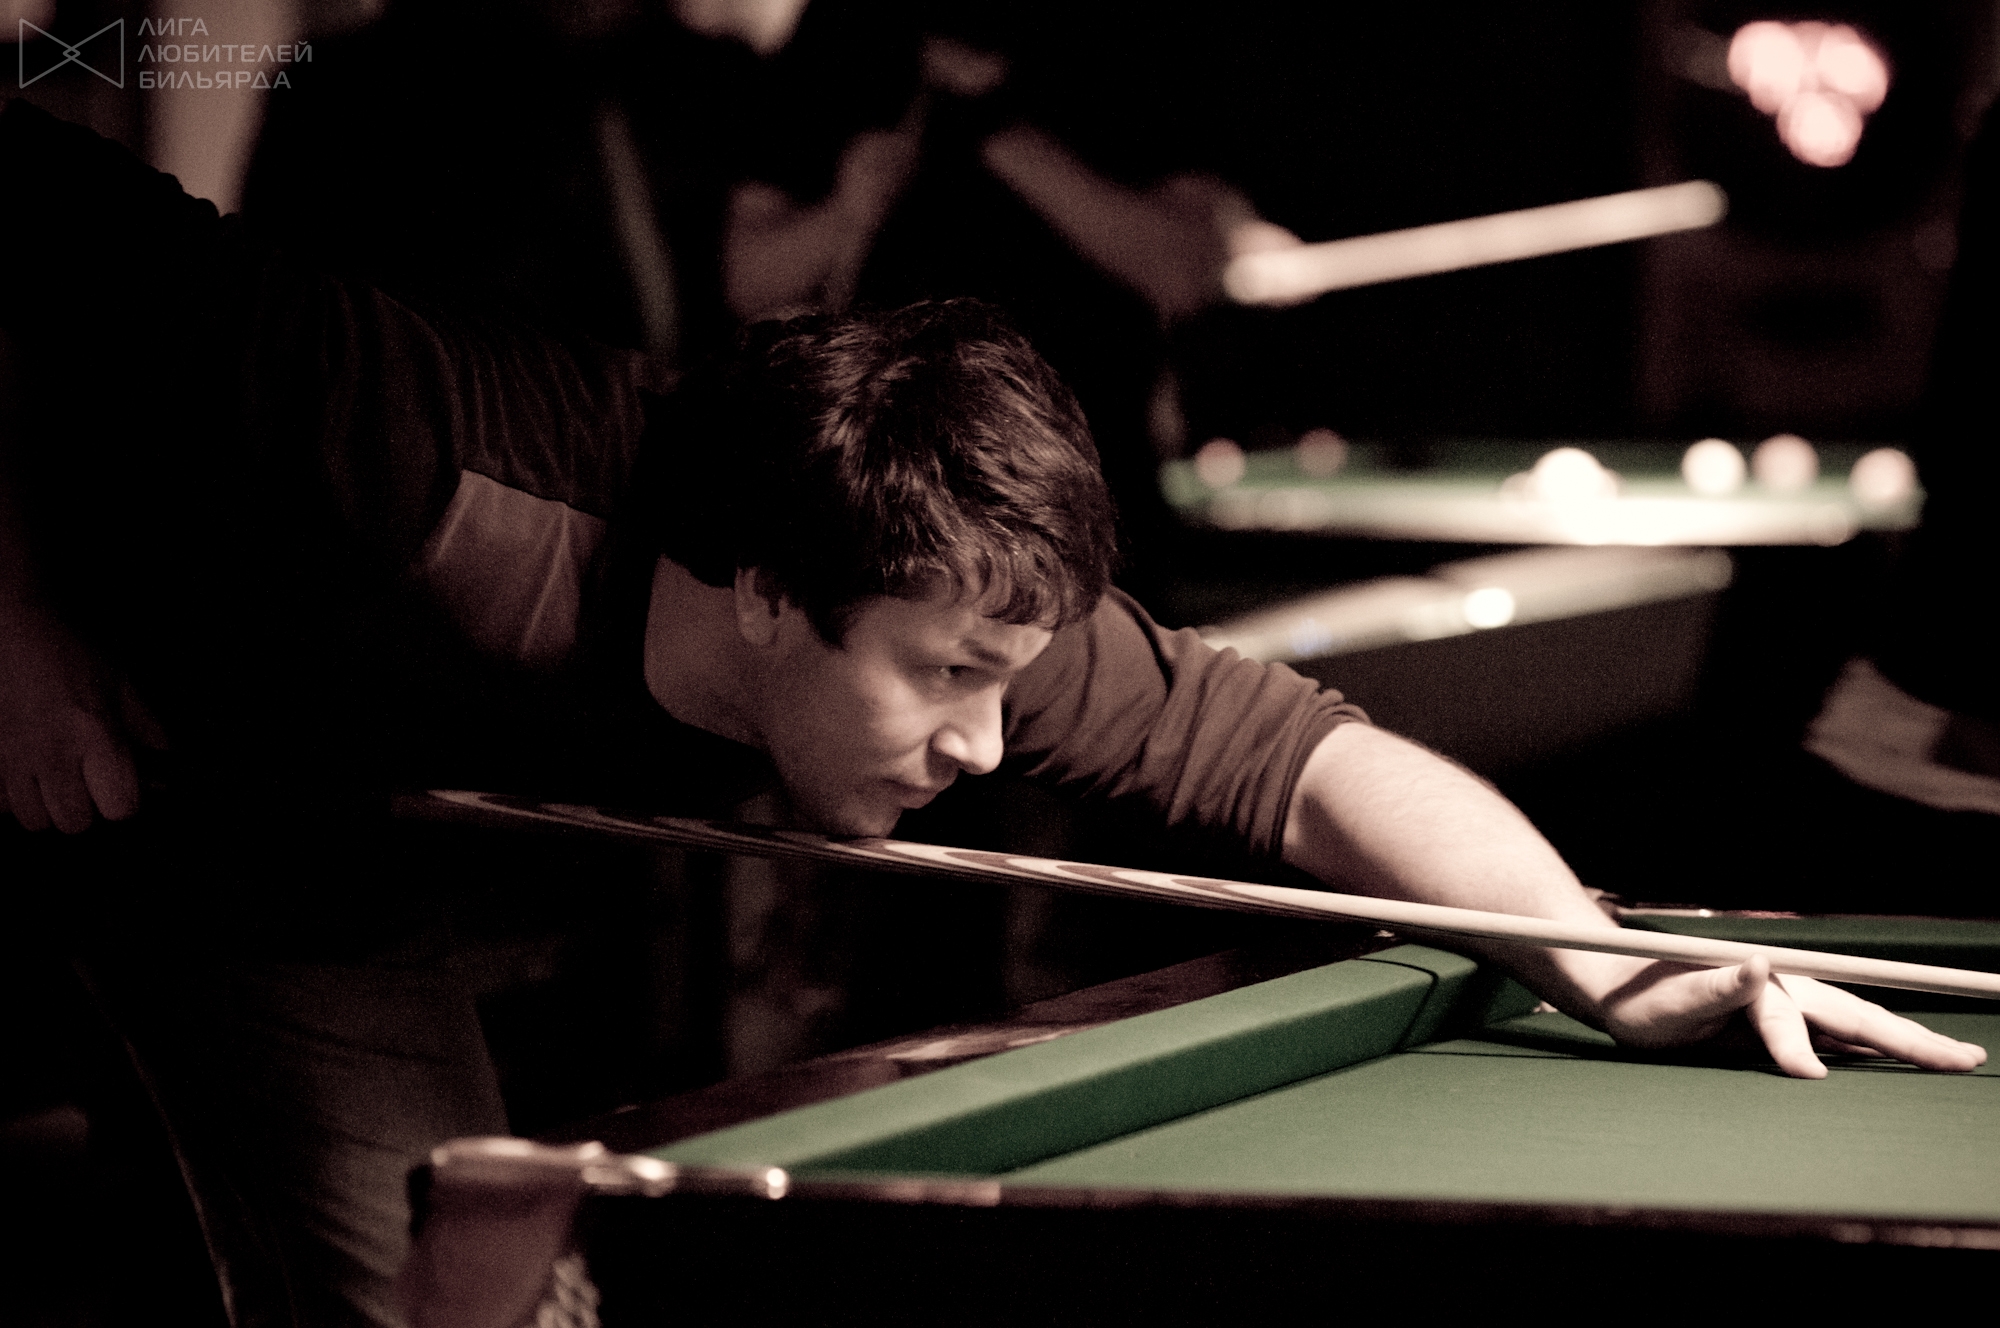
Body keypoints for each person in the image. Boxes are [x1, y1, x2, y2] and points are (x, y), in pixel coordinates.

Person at [0, 100, 1983, 1328]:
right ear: (764, 592)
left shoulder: (954, 595)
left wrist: (1612, 968)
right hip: (101, 714)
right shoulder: (404, 436)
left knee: (466, 1313)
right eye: (944, 680)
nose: (978, 746)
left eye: (1002, 685)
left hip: (294, 884)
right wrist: (16, 620)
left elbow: (1309, 763)